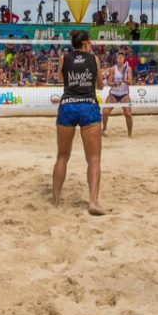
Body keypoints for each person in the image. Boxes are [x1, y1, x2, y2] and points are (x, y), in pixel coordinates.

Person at [52, 29, 105, 216]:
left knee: (62, 156)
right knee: (94, 158)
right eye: (89, 42)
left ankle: (56, 201)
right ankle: (93, 202)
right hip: (88, 106)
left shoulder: (64, 58)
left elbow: (60, 79)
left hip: (67, 106)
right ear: (84, 44)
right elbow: (100, 86)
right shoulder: (94, 60)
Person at [102, 51, 134, 137]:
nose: (120, 58)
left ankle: (130, 134)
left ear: (124, 59)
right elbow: (109, 82)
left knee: (128, 114)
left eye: (122, 57)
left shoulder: (128, 68)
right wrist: (115, 84)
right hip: (114, 93)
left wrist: (124, 80)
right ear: (116, 59)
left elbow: (130, 82)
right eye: (119, 56)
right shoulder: (112, 69)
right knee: (105, 112)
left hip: (124, 94)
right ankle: (104, 129)